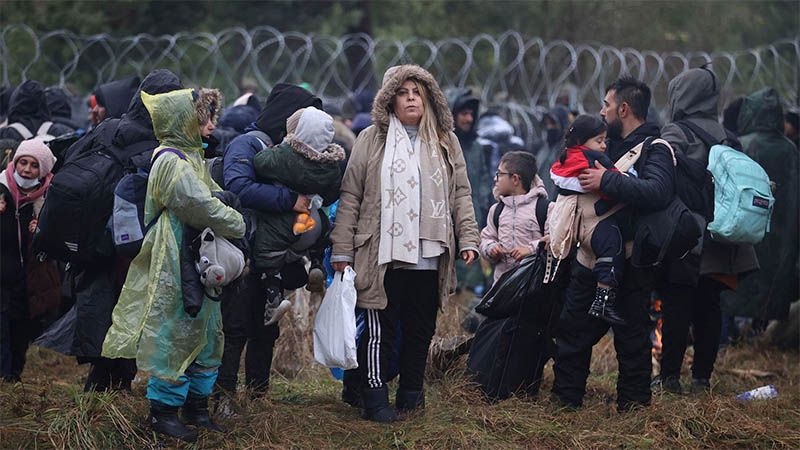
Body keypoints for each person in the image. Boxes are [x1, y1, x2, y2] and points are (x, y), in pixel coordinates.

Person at [331, 64, 480, 423]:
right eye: (403, 92)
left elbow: (460, 192)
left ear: (429, 98)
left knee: (420, 327)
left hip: (430, 252)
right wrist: (342, 248)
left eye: (418, 92)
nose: (412, 98)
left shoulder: (446, 139)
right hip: (381, 252)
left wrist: (469, 236)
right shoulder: (370, 139)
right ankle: (374, 398)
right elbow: (351, 196)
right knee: (380, 327)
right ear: (389, 100)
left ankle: (412, 395)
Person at [102, 87, 245, 443]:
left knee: (208, 332)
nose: (211, 126)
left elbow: (210, 194)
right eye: (204, 119)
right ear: (184, 121)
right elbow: (198, 203)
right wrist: (237, 221)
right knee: (176, 331)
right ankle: (163, 412)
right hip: (174, 254)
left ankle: (196, 408)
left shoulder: (192, 157)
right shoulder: (169, 160)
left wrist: (222, 206)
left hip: (198, 253)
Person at [552, 76, 675, 411]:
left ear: (623, 108)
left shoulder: (656, 148)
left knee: (632, 338)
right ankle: (565, 401)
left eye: (606, 105)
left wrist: (606, 179)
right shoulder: (599, 145)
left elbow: (657, 192)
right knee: (573, 332)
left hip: (631, 262)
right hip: (588, 259)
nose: (601, 111)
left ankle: (633, 408)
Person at [59, 70, 184, 393]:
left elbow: (69, 161)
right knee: (127, 315)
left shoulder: (108, 128)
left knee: (105, 315)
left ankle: (105, 392)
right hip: (132, 246)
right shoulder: (162, 144)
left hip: (95, 240)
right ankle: (109, 392)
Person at [216, 83, 321, 412]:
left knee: (265, 329)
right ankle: (223, 397)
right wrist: (291, 201)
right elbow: (238, 187)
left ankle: (257, 397)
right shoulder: (247, 144)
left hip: (271, 257)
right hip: (243, 253)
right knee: (236, 328)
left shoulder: (285, 153)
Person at [656, 68, 759, 393]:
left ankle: (670, 377)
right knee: (709, 308)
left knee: (676, 306)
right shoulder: (729, 136)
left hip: (686, 235)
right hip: (721, 237)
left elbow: (665, 177)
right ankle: (702, 378)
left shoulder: (677, 131)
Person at [251, 106, 344, 325]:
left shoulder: (285, 156)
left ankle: (273, 295)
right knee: (319, 237)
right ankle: (317, 264)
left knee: (267, 251)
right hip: (315, 222)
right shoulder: (331, 167)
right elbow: (332, 195)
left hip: (286, 221)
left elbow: (260, 162)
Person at [721, 88, 798, 328]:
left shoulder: (743, 145)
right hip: (781, 233)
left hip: (745, 231)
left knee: (739, 287)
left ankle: (733, 339)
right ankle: (758, 334)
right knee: (768, 289)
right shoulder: (791, 150)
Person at [549, 115, 632, 325]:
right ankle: (603, 301)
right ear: (581, 140)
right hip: (597, 223)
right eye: (599, 140)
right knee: (613, 250)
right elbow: (613, 184)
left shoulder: (565, 157)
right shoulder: (595, 159)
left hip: (571, 225)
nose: (604, 146)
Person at [0, 139, 60, 382]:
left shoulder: (47, 199)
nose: (26, 170)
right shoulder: (2, 190)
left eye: (33, 166)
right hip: (3, 276)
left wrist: (41, 231)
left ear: (43, 170)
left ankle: (14, 375)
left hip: (29, 281)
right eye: (22, 162)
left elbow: (56, 242)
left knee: (20, 332)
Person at [480, 151, 548, 284]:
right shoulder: (497, 210)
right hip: (502, 288)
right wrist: (491, 248)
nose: (495, 179)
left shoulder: (544, 208)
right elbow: (486, 238)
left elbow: (556, 241)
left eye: (499, 174)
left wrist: (530, 250)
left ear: (515, 179)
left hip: (534, 287)